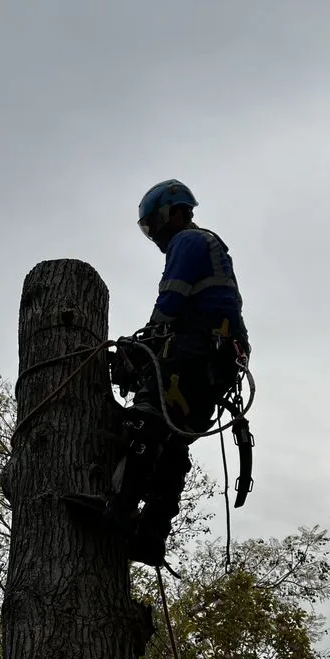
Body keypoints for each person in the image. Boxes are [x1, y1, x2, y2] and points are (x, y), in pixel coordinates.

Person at [67, 179, 250, 566]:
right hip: (216, 368)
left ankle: (119, 507)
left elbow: (170, 300)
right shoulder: (212, 252)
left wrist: (142, 344)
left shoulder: (189, 241)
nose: (154, 235)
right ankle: (150, 537)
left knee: (147, 418)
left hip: (194, 352)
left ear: (174, 212)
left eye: (154, 224)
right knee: (172, 447)